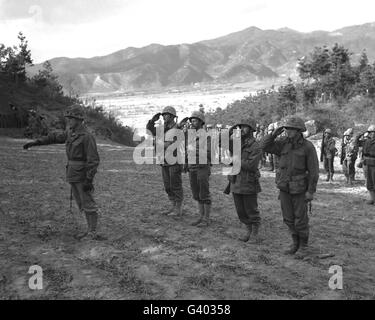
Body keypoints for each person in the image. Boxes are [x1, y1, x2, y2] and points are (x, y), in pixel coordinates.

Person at [23, 104, 101, 240]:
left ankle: (92, 232)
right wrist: (35, 143)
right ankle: (89, 230)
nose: (68, 120)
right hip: (73, 173)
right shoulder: (71, 132)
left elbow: (93, 160)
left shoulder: (87, 136)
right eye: (68, 118)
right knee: (81, 202)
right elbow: (54, 137)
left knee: (88, 202)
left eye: (71, 118)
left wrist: (89, 179)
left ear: (79, 119)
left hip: (82, 174)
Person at [261, 116, 319, 258]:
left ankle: (303, 246)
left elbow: (314, 171)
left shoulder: (308, 147)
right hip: (284, 187)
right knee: (288, 218)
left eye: (291, 129)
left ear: (299, 130)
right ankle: (295, 243)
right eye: (287, 128)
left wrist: (311, 191)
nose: (288, 131)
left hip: (299, 189)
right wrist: (274, 133)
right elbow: (263, 146)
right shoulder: (282, 143)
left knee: (301, 218)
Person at [225, 119, 262, 243]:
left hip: (248, 181)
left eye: (245, 127)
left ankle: (254, 234)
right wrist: (232, 129)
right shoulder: (236, 142)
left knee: (251, 209)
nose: (242, 129)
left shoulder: (255, 146)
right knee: (240, 210)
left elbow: (251, 165)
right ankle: (248, 230)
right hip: (236, 180)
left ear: (251, 129)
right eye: (240, 127)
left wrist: (235, 160)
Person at [146, 106, 184, 217]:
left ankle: (178, 208)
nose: (164, 117)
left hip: (175, 160)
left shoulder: (177, 128)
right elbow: (150, 131)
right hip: (164, 160)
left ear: (172, 116)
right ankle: (173, 206)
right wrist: (152, 121)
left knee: (175, 185)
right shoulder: (162, 128)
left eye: (167, 115)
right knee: (168, 186)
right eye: (163, 115)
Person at [183, 111, 212, 227]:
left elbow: (210, 153)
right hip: (192, 167)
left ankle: (206, 218)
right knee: (196, 193)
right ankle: (201, 216)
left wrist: (194, 150)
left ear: (200, 122)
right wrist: (185, 163)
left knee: (204, 193)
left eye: (195, 120)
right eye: (192, 121)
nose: (192, 123)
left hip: (202, 167)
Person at [354, 125, 375, 205]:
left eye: (373, 132)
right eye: (370, 132)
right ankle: (372, 199)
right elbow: (356, 143)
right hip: (366, 163)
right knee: (369, 182)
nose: (371, 134)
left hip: (374, 163)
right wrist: (360, 134)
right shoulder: (366, 141)